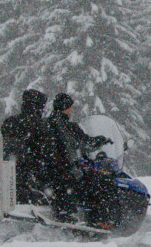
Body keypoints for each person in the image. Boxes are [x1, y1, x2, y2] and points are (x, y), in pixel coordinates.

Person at [47, 93, 114, 225]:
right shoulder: (66, 126)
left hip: (51, 169)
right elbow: (86, 144)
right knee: (100, 183)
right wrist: (101, 140)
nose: (71, 110)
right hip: (66, 169)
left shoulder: (47, 123)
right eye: (70, 107)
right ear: (65, 108)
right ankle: (99, 220)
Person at [0, 88, 57, 204]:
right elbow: (48, 153)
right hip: (34, 184)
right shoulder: (40, 126)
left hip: (9, 182)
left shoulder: (11, 122)